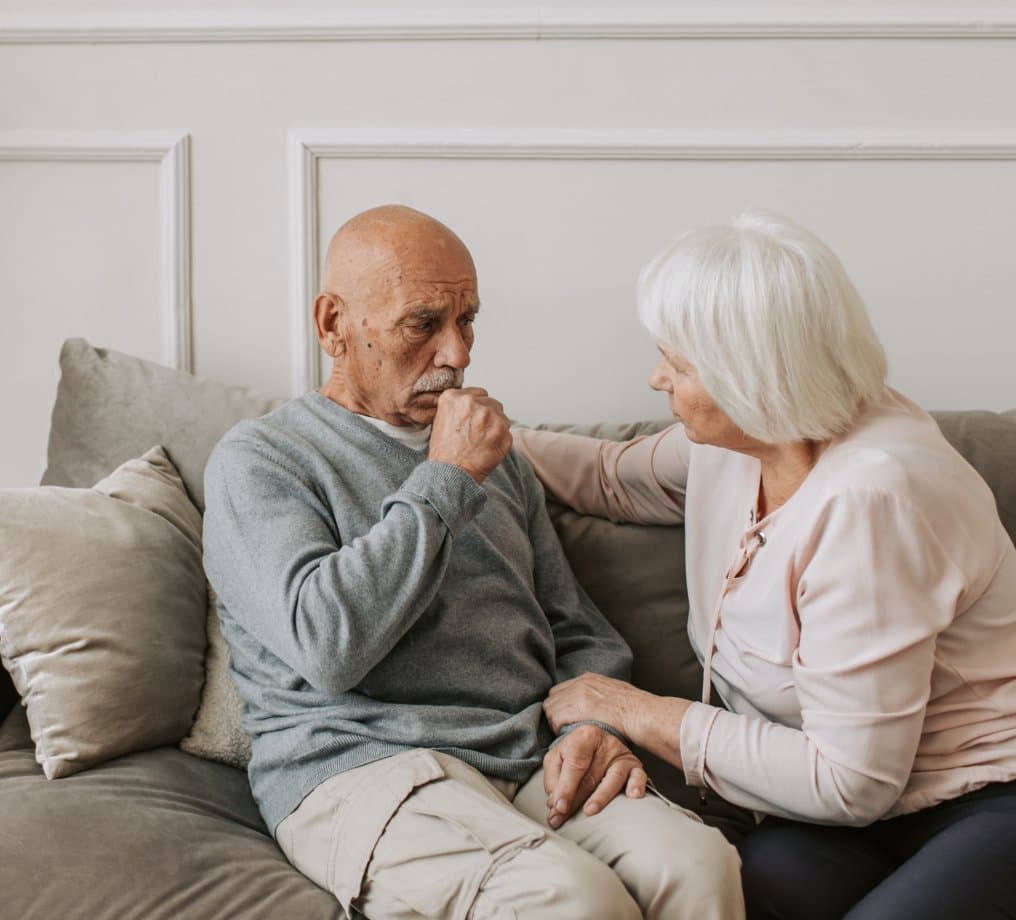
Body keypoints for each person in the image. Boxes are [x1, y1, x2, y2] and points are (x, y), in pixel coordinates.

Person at [513, 210, 1016, 919]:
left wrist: (629, 708)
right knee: (724, 901)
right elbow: (607, 477)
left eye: (679, 365)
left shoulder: (873, 495)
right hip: (852, 826)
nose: (656, 376)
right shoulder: (738, 445)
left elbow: (851, 782)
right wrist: (459, 434)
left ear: (750, 376)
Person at [201, 205, 743, 920]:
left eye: (468, 321)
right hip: (363, 769)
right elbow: (327, 646)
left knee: (699, 864)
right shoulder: (263, 459)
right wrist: (447, 477)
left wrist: (591, 728)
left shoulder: (497, 458)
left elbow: (575, 628)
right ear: (333, 325)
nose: (457, 353)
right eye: (423, 324)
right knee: (570, 900)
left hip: (525, 754)